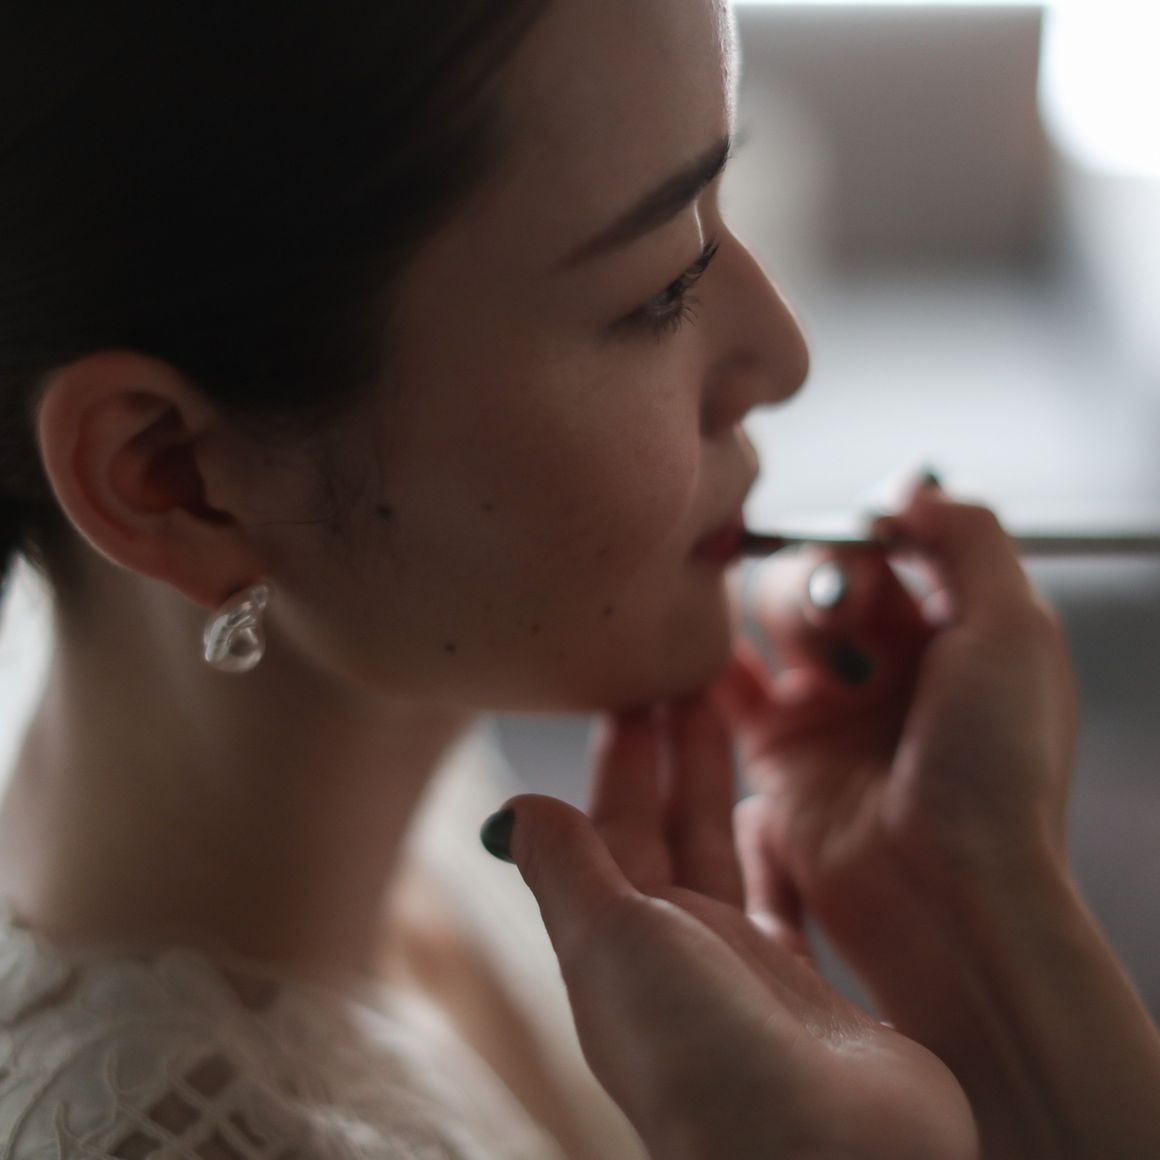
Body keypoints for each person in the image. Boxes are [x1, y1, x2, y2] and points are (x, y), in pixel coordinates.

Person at [0, 0, 1158, 1157]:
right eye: (660, 288)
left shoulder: (377, 776)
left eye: (719, 200)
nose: (782, 355)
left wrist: (997, 950)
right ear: (174, 477)